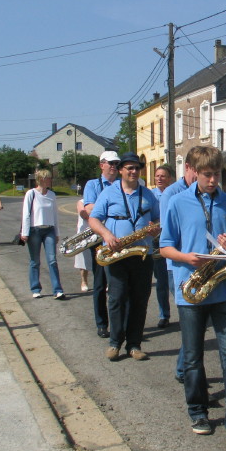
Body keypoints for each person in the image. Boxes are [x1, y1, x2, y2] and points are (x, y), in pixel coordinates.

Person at [159, 146, 226, 445]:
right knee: (193, 357)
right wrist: (186, 257)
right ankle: (198, 411)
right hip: (191, 289)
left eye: (217, 174)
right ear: (194, 171)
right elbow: (164, 247)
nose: (213, 180)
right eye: (207, 175)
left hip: (224, 290)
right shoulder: (177, 203)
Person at [89, 152, 161, 362]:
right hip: (116, 254)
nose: (133, 171)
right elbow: (94, 219)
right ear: (121, 170)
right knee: (117, 298)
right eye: (129, 168)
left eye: (137, 168)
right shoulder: (109, 193)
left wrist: (154, 229)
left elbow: (157, 219)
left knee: (140, 299)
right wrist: (107, 234)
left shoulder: (148, 194)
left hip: (141, 254)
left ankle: (134, 344)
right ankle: (115, 343)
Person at [159, 147, 203, 383]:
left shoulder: (204, 192)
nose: (200, 177)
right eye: (197, 171)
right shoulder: (172, 194)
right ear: (186, 168)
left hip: (201, 266)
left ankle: (184, 368)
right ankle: (183, 369)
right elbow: (170, 235)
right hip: (177, 266)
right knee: (191, 324)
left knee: (198, 325)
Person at [83, 150, 120, 338]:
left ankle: (119, 323)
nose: (114, 167)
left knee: (119, 283)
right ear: (102, 165)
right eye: (111, 163)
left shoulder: (122, 184)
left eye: (116, 164)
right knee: (100, 283)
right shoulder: (93, 184)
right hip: (99, 239)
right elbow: (89, 208)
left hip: (119, 237)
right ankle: (101, 323)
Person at [21, 169, 65, 300]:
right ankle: (35, 288)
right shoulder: (31, 193)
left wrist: (57, 232)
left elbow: (55, 215)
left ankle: (57, 290)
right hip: (35, 229)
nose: (50, 180)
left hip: (49, 229)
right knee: (35, 261)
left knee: (52, 260)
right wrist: (25, 232)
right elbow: (26, 214)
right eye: (48, 178)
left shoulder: (52, 195)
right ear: (41, 179)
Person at [151, 164, 175, 328]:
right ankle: (164, 314)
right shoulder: (150, 195)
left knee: (174, 280)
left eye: (163, 176)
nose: (159, 178)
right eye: (157, 176)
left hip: (172, 242)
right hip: (156, 242)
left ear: (170, 179)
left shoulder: (174, 194)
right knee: (161, 281)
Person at [73, 199, 92, 292]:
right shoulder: (81, 202)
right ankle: (84, 281)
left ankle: (106, 282)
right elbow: (83, 214)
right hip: (84, 233)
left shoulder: (101, 199)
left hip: (99, 232)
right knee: (84, 259)